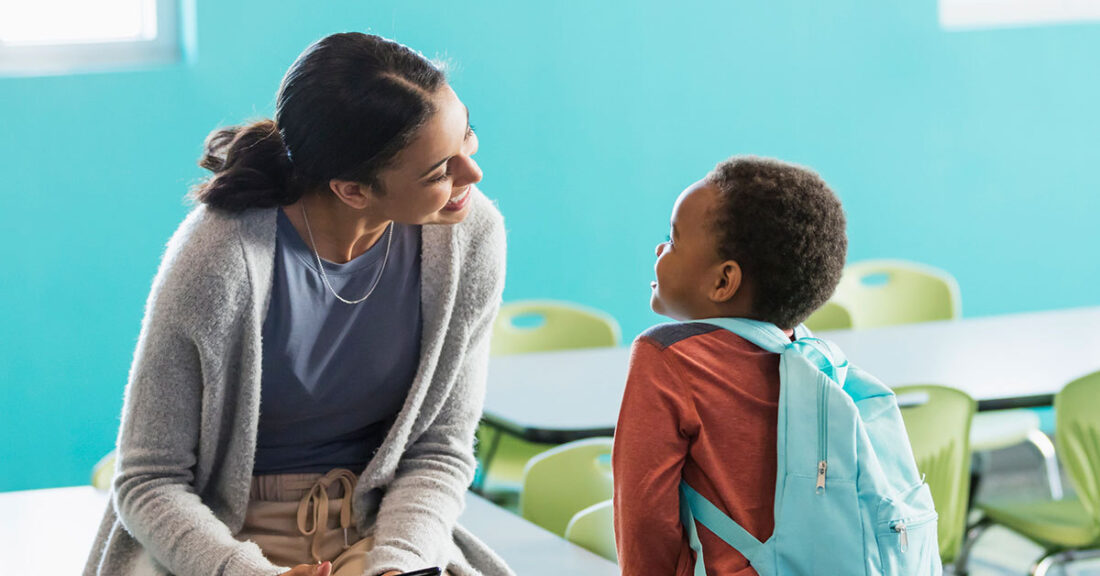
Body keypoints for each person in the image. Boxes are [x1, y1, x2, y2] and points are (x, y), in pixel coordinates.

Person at [84, 32, 511, 576]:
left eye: (467, 137)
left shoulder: (470, 238)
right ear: (352, 189)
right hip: (218, 541)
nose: (472, 176)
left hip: (383, 530)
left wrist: (396, 565)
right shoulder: (219, 257)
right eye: (438, 172)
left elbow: (439, 450)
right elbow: (148, 481)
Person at [612, 156, 847, 575]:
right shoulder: (810, 355)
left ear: (723, 282)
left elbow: (645, 523)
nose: (660, 248)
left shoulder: (667, 358)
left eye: (674, 239)